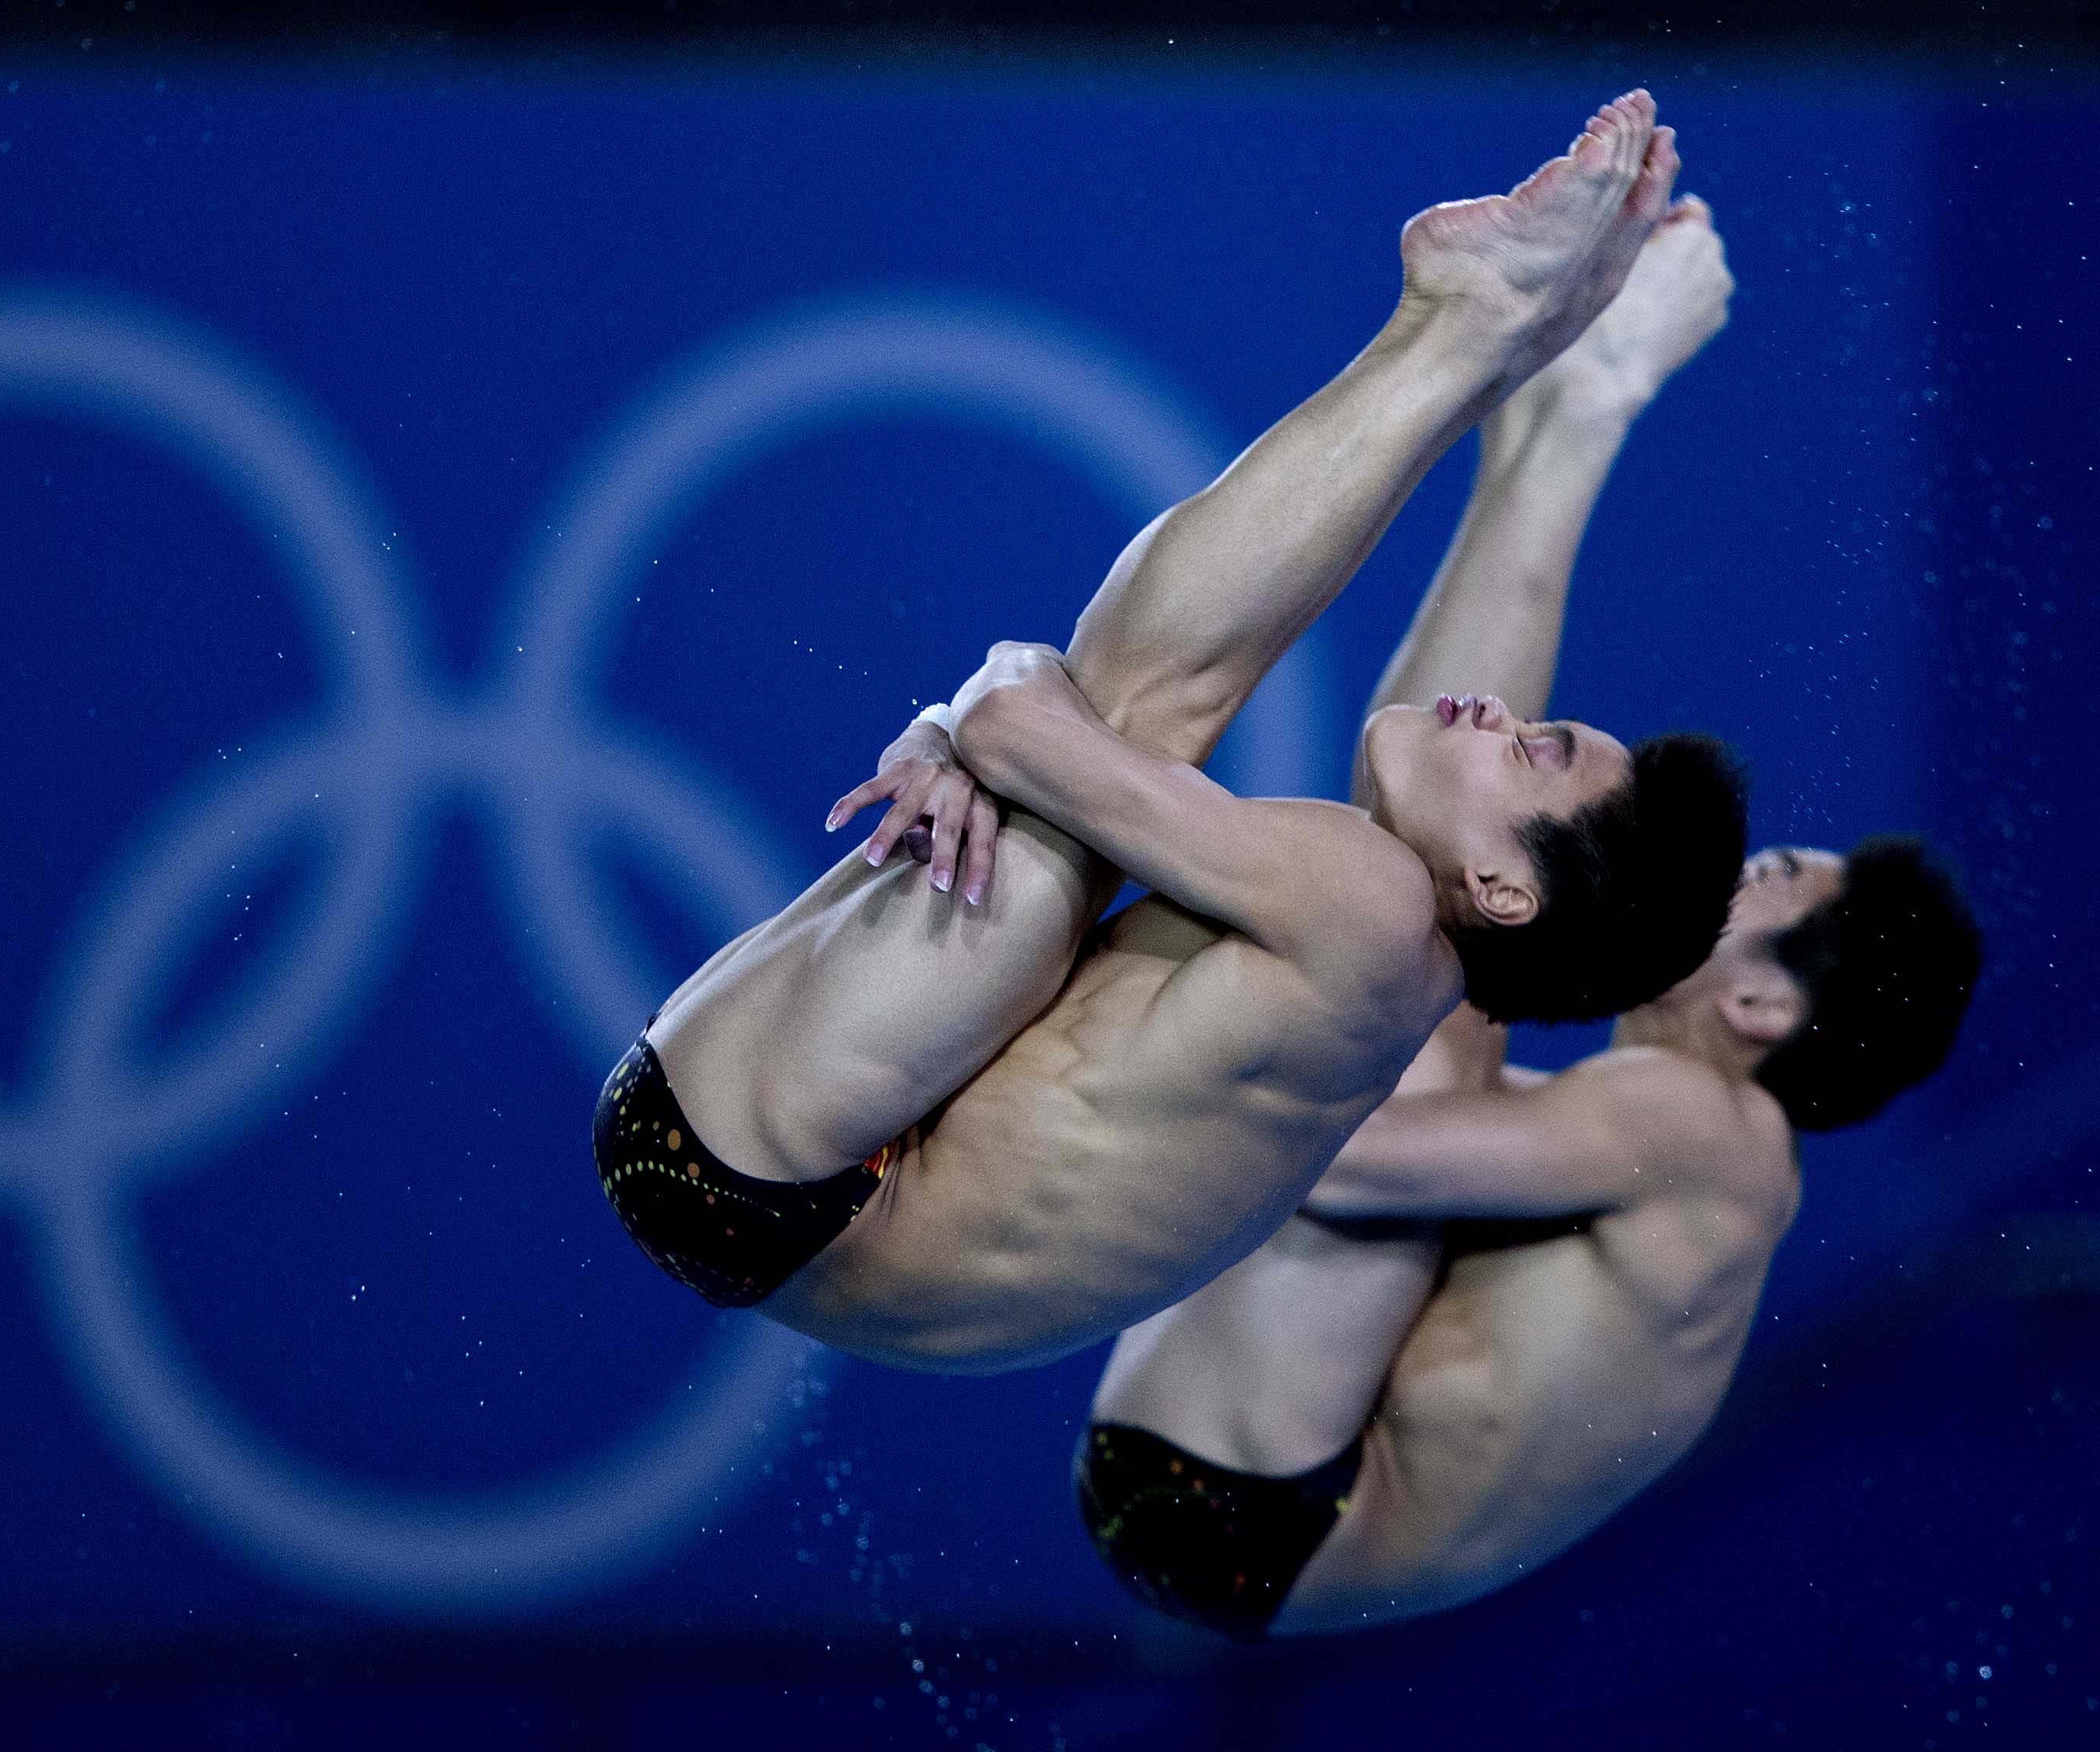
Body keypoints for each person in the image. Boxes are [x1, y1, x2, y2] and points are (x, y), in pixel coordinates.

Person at [594, 91, 1749, 1373]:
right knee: (1078, 788)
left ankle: (1463, 327)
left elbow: (1019, 716)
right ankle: (1480, 343)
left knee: (1126, 729)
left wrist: (967, 718)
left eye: (1532, 751)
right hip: (797, 1214)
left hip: (756, 1154)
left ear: (1502, 889)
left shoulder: (1368, 903)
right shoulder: (1388, 985)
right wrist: (986, 741)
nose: (1496, 712)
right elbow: (1024, 741)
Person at [1072, 198, 1984, 1639]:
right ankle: (1559, 436)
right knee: (1437, 955)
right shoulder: (1689, 1169)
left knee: (1424, 977)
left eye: (1765, 880)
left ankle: (1573, 424)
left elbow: (1343, 1162)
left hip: (1242, 1511)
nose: (1721, 881)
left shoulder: (1709, 1129)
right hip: (1240, 1495)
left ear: (1761, 1010)